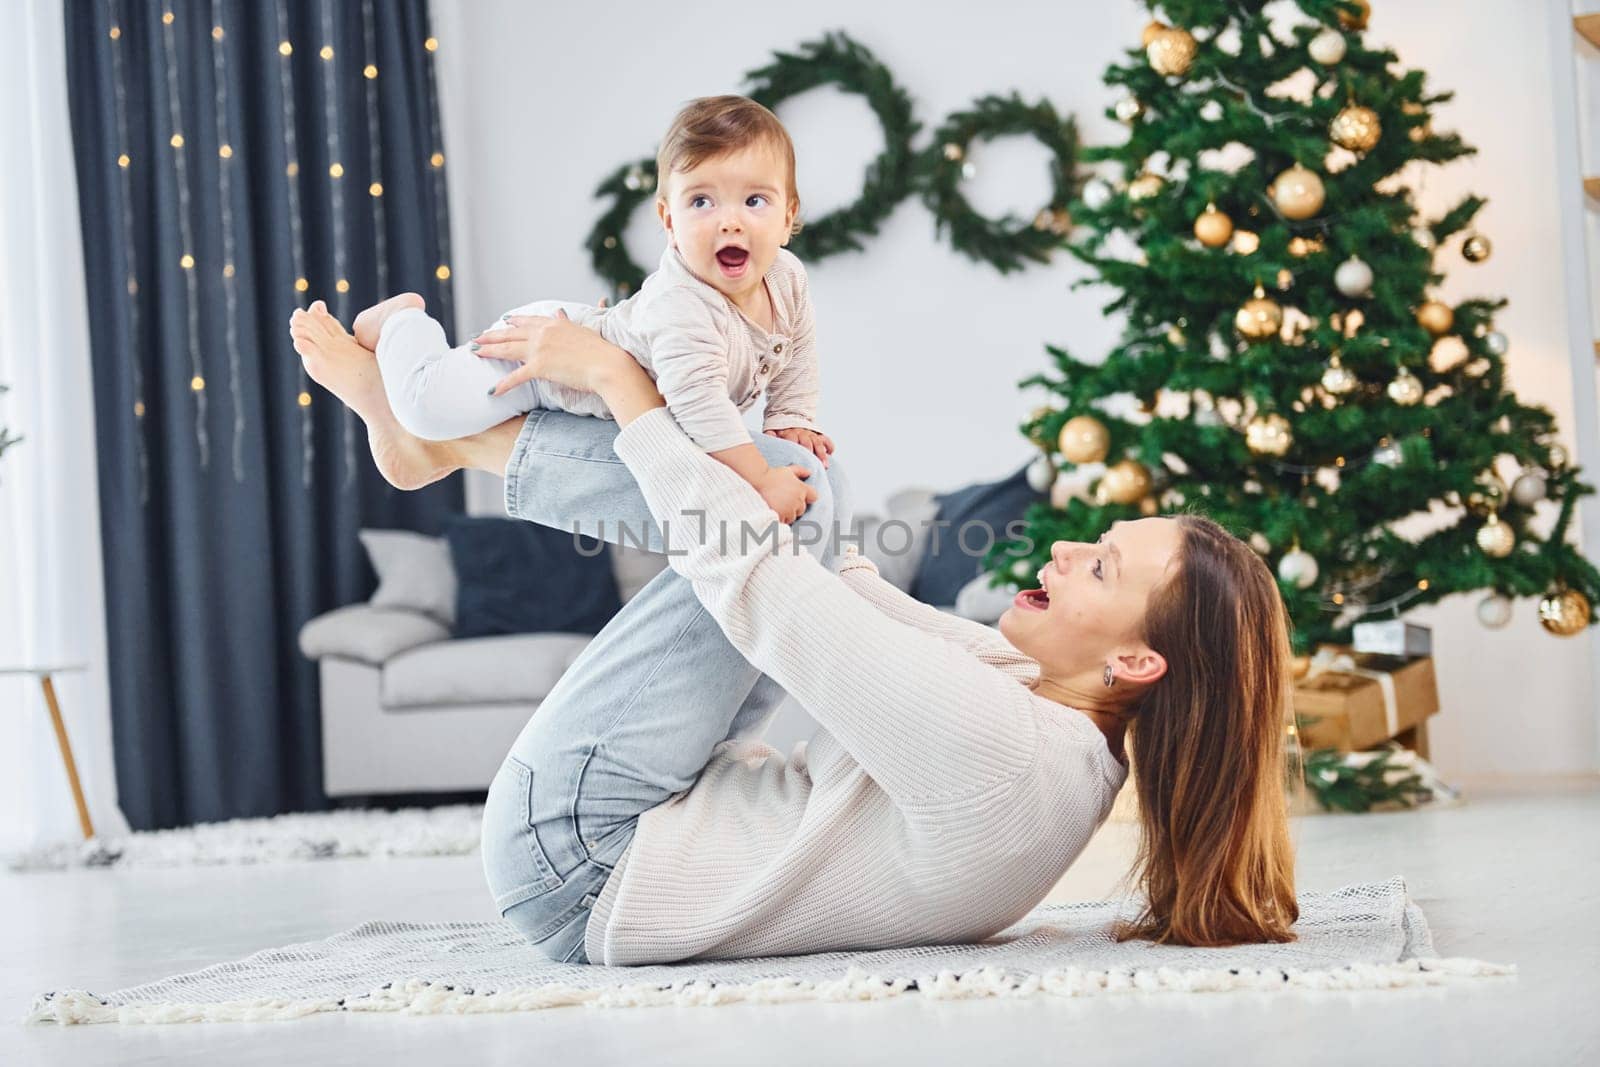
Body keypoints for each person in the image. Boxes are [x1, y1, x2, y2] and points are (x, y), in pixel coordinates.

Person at [288, 297, 1299, 968]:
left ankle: (443, 433)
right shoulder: (1046, 725)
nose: (1069, 545)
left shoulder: (1008, 754)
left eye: (1103, 565)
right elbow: (840, 580)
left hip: (576, 859)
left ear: (1134, 660)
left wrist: (620, 382)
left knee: (772, 511)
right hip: (631, 834)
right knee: (795, 488)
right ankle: (440, 441)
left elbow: (759, 578)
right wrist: (773, 448)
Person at [349, 94, 833, 526]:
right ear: (669, 220)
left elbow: (799, 347)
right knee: (426, 408)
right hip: (540, 361)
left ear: (789, 217)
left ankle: (439, 447)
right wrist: (762, 479)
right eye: (701, 201)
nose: (730, 221)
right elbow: (700, 405)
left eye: (754, 200)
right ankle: (401, 321)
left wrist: (790, 416)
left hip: (594, 381)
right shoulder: (683, 305)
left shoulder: (785, 277)